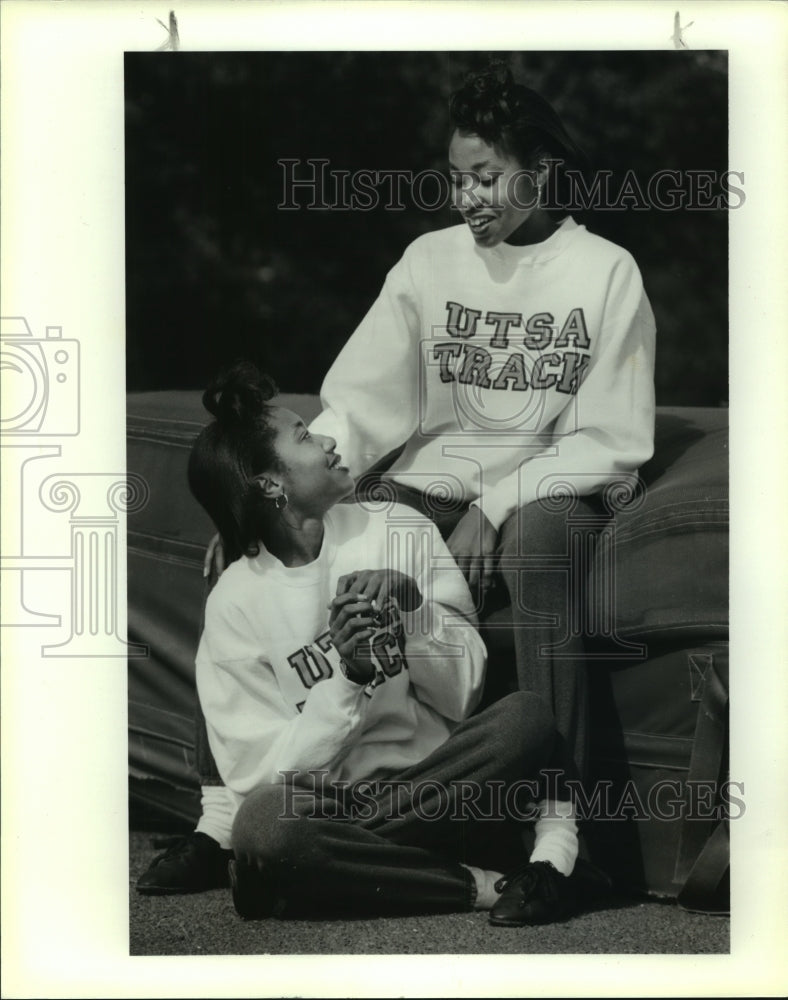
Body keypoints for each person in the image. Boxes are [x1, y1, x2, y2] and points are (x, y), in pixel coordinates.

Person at [137, 62, 655, 894]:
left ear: (542, 172)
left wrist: (499, 501)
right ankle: (225, 821)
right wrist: (259, 492)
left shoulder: (605, 273)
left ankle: (561, 837)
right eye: (456, 179)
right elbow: (360, 401)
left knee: (547, 543)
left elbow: (613, 434)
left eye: (485, 177)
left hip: (541, 493)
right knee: (248, 558)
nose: (468, 198)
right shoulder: (429, 262)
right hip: (420, 486)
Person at [166, 359, 608, 924]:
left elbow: (464, 695)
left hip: (436, 787)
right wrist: (346, 681)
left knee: (527, 717)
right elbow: (259, 780)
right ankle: (488, 885)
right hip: (331, 805)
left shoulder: (396, 526)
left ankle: (311, 878)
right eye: (303, 435)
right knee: (263, 826)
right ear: (269, 484)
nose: (327, 439)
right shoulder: (235, 602)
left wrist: (415, 613)